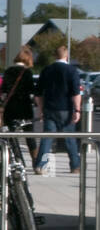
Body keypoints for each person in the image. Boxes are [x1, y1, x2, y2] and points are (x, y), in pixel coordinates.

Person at [33, 44, 82, 174]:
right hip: (66, 108)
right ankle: (75, 166)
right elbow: (76, 93)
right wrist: (77, 110)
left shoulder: (47, 70)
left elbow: (38, 93)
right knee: (69, 138)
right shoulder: (72, 71)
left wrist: (41, 109)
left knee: (47, 137)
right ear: (66, 56)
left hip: (49, 107)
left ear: (55, 55)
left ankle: (41, 165)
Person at [0, 47, 37, 154]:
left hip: (10, 106)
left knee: (10, 133)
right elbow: (31, 89)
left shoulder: (8, 71)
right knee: (29, 133)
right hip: (24, 106)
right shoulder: (27, 72)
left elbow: (3, 89)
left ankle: (15, 156)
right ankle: (35, 161)